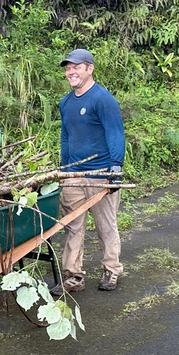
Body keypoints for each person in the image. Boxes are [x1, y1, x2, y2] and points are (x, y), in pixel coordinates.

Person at [51, 49, 125, 294]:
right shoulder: (65, 103)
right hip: (74, 176)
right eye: (68, 68)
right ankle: (73, 276)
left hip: (100, 174)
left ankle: (111, 269)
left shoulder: (102, 99)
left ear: (89, 68)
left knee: (106, 226)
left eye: (76, 67)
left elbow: (115, 132)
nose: (70, 71)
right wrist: (65, 168)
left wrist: (116, 166)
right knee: (73, 227)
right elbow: (65, 137)